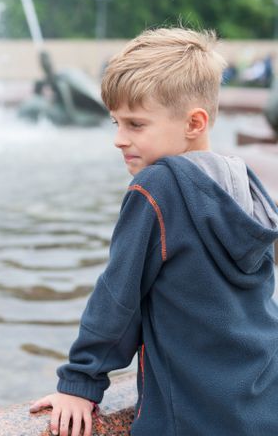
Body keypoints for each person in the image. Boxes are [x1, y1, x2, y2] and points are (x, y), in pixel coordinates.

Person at [29, 27, 278, 436]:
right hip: (260, 395)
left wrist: (80, 384)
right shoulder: (241, 180)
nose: (118, 139)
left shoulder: (158, 186)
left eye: (135, 124)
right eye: (115, 122)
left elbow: (119, 294)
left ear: (194, 122)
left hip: (193, 416)